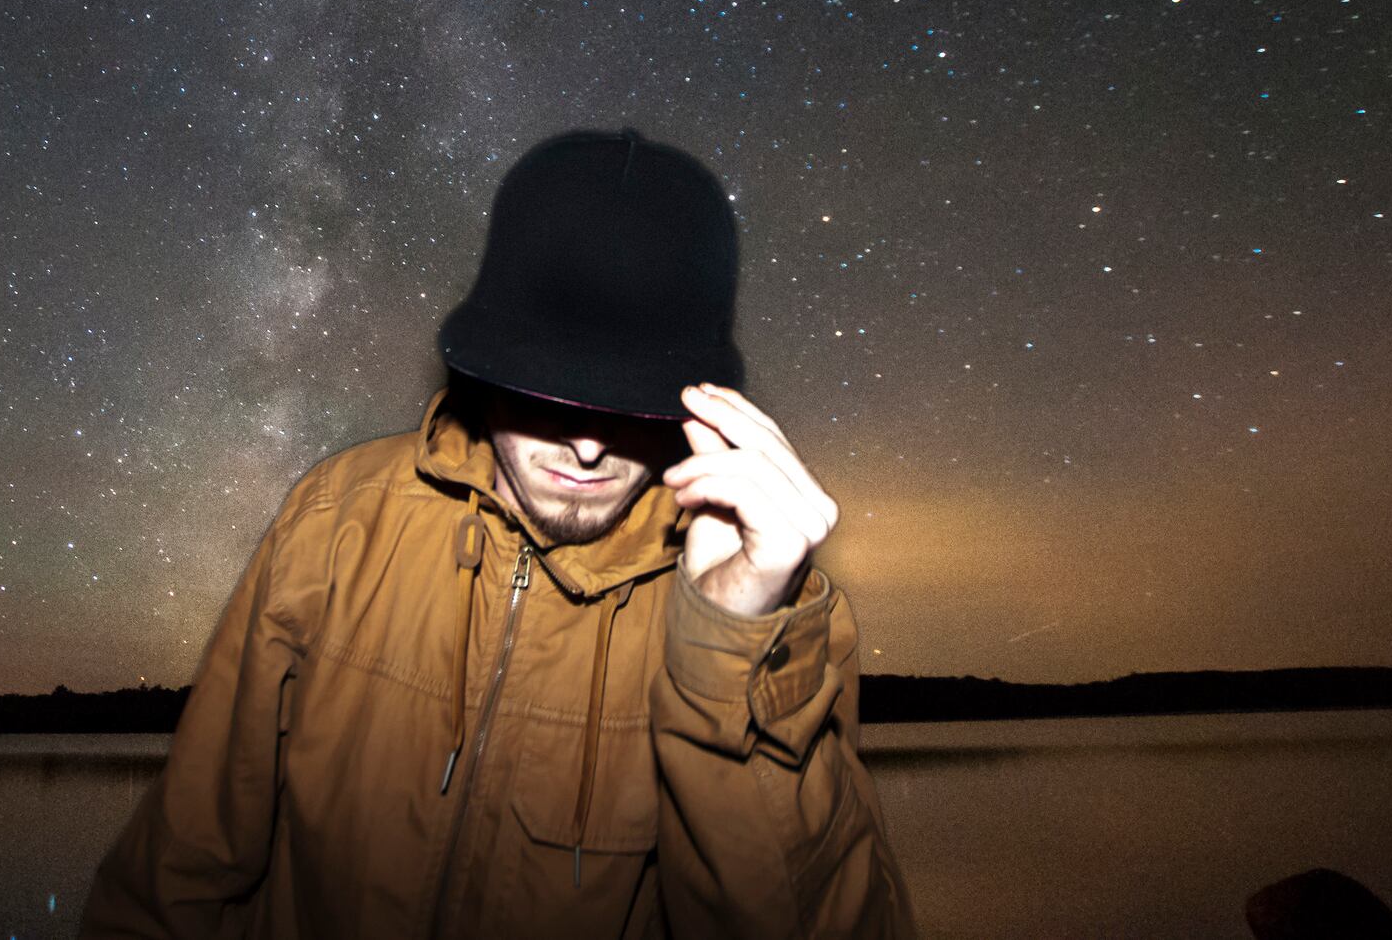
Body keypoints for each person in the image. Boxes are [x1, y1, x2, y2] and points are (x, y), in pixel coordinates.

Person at [82, 129, 916, 939]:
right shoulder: (338, 520)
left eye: (629, 398)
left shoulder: (780, 610)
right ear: (486, 363)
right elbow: (177, 876)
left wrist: (731, 645)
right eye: (555, 390)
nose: (589, 446)